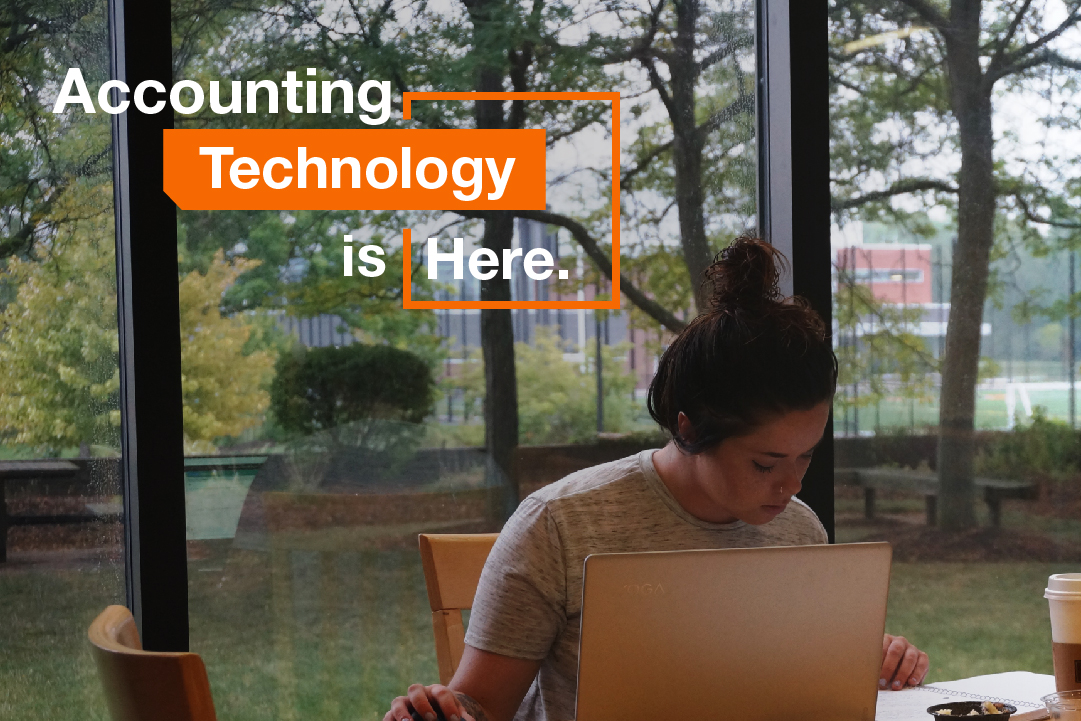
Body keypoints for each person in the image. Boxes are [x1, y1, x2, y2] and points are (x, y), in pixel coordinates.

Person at [384, 237, 929, 721]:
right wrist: (438, 712)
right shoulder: (560, 526)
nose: (791, 487)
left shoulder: (799, 532)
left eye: (805, 457)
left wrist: (869, 662)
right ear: (689, 429)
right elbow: (481, 707)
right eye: (765, 464)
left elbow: (801, 688)